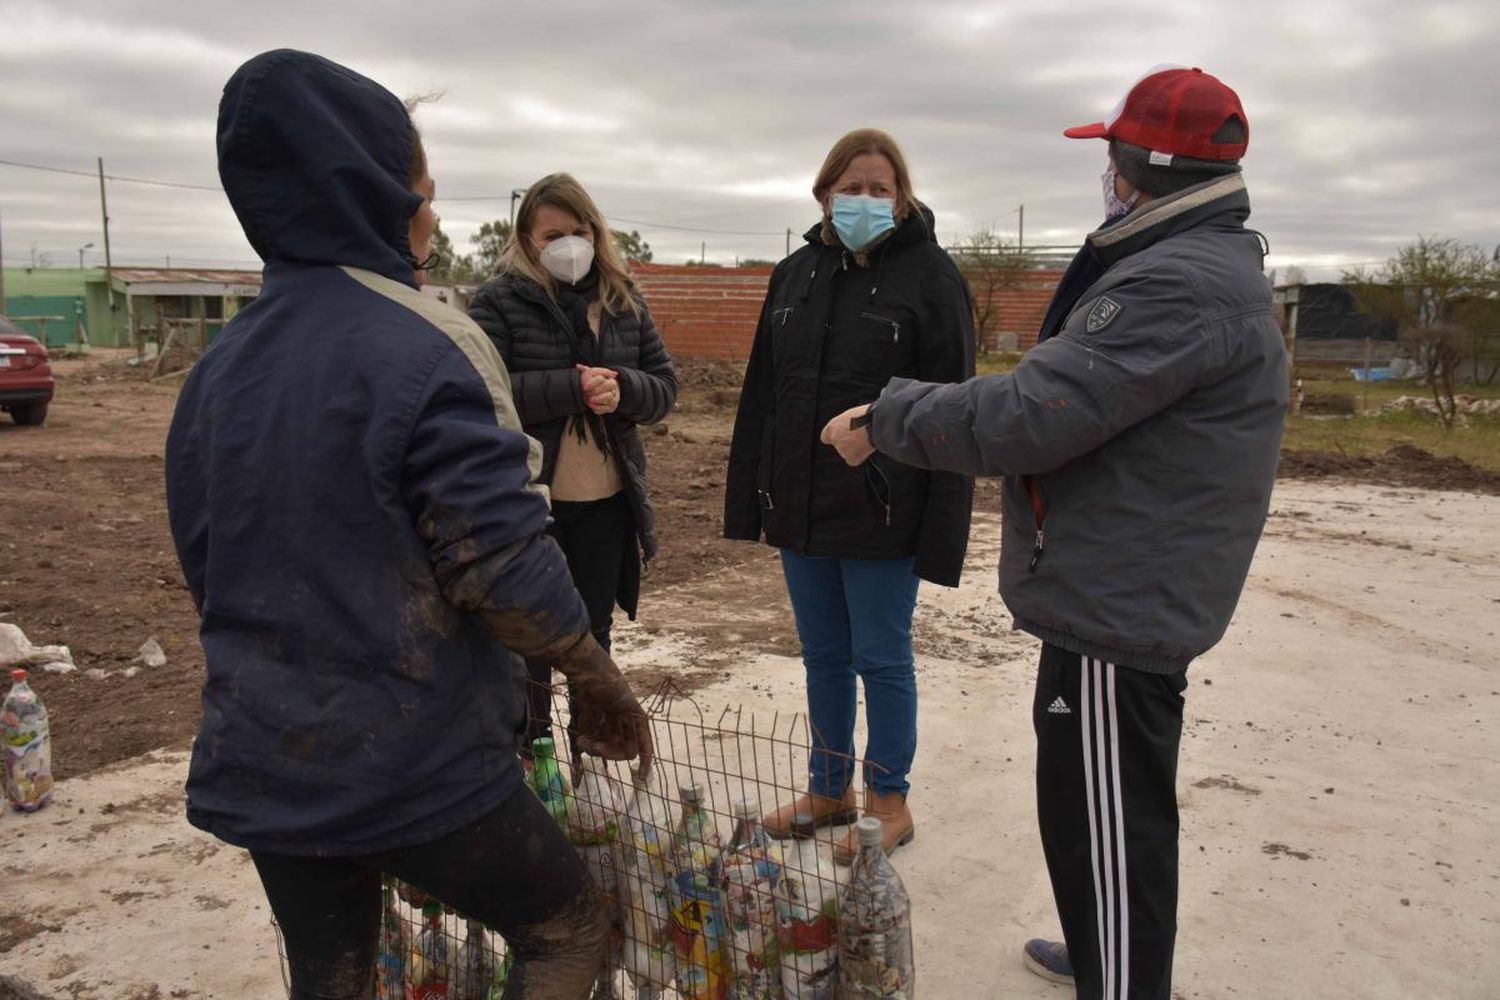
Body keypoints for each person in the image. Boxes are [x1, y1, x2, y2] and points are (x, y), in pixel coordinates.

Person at [165, 50, 652, 1000]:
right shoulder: (429, 336)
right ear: (385, 197)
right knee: (566, 934)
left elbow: (207, 560)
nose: (431, 217)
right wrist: (596, 679)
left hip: (263, 759)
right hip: (408, 762)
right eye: (424, 193)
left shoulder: (218, 369)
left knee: (333, 972)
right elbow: (502, 563)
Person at [822, 66, 1287, 999]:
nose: (1104, 178)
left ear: (1137, 168)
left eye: (1110, 158)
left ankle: (1120, 972)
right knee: (1088, 812)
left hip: (1124, 601)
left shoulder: (1173, 283)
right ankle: (1103, 937)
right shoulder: (1188, 265)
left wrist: (888, 416)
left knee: (1112, 819)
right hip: (1113, 586)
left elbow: (1036, 411)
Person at [723, 128, 975, 863]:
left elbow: (953, 408)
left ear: (902, 198)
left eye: (880, 187)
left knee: (882, 657)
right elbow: (761, 397)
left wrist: (940, 531)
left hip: (883, 506)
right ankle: (827, 789)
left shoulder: (933, 279)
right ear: (824, 193)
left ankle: (887, 801)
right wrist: (755, 500)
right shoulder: (794, 274)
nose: (865, 199)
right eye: (851, 186)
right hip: (801, 505)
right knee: (823, 655)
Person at [468, 174, 677, 754]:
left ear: (595, 231)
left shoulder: (623, 299)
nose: (569, 243)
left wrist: (624, 388)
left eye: (578, 230)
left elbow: (664, 388)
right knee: (531, 638)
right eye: (553, 233)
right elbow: (484, 389)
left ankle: (595, 744)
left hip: (607, 501)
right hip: (532, 502)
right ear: (528, 240)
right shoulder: (499, 301)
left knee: (593, 629)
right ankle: (534, 758)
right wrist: (569, 387)